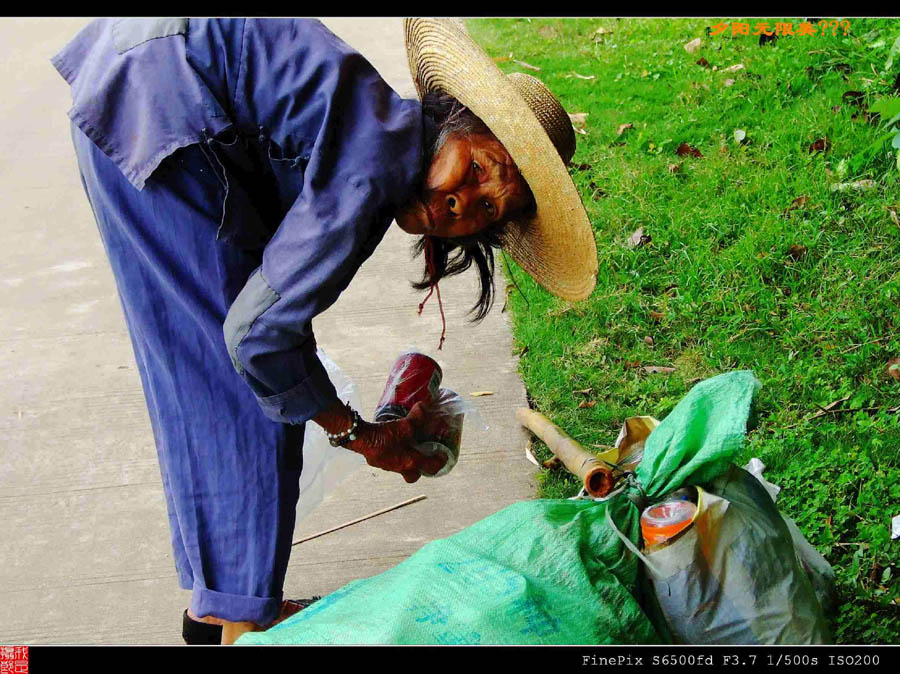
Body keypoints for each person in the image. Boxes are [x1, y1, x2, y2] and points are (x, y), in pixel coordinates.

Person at [52, 17, 598, 644]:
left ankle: (223, 610)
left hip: (133, 77)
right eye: (476, 169)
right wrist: (357, 434)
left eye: (487, 208)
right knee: (247, 381)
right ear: (454, 120)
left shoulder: (378, 137)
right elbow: (259, 338)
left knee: (208, 368)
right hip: (165, 98)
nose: (459, 203)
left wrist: (347, 421)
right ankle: (238, 621)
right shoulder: (373, 165)